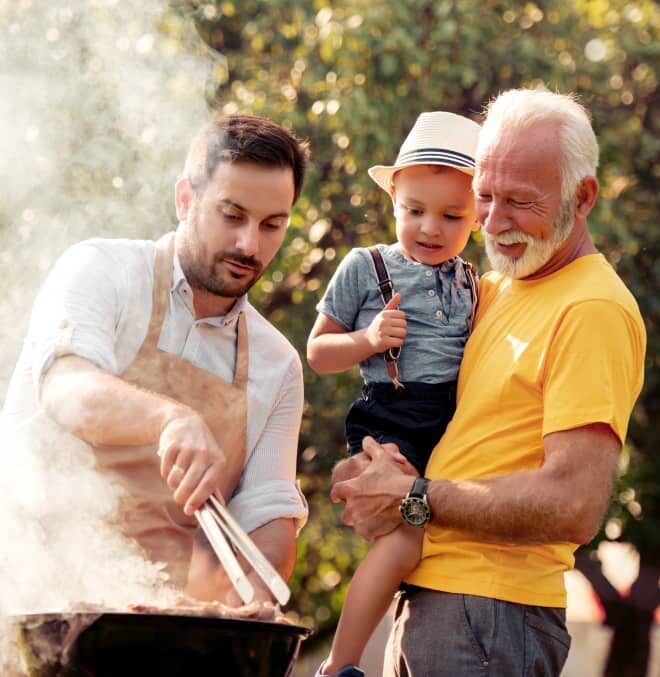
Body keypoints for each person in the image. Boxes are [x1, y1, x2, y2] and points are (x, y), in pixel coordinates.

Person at [331, 88, 647, 677]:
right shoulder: (492, 289)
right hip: (439, 600)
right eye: (484, 196)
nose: (494, 222)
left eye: (521, 202)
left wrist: (416, 498)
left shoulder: (592, 308)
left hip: (493, 614)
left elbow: (574, 504)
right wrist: (374, 471)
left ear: (583, 198)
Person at [0, 114, 310, 604]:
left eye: (272, 225)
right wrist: (169, 419)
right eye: (232, 216)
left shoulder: (279, 366)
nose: (250, 244)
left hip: (155, 623)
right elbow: (65, 387)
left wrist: (250, 604)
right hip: (28, 594)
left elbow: (267, 515)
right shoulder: (102, 269)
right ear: (186, 199)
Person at [307, 111, 481, 677]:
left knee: (434, 537)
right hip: (392, 417)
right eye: (414, 211)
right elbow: (318, 351)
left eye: (452, 215)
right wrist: (368, 338)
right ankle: (339, 665)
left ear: (477, 216)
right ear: (393, 204)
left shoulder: (471, 281)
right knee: (405, 542)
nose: (430, 228)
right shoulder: (367, 266)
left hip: (448, 424)